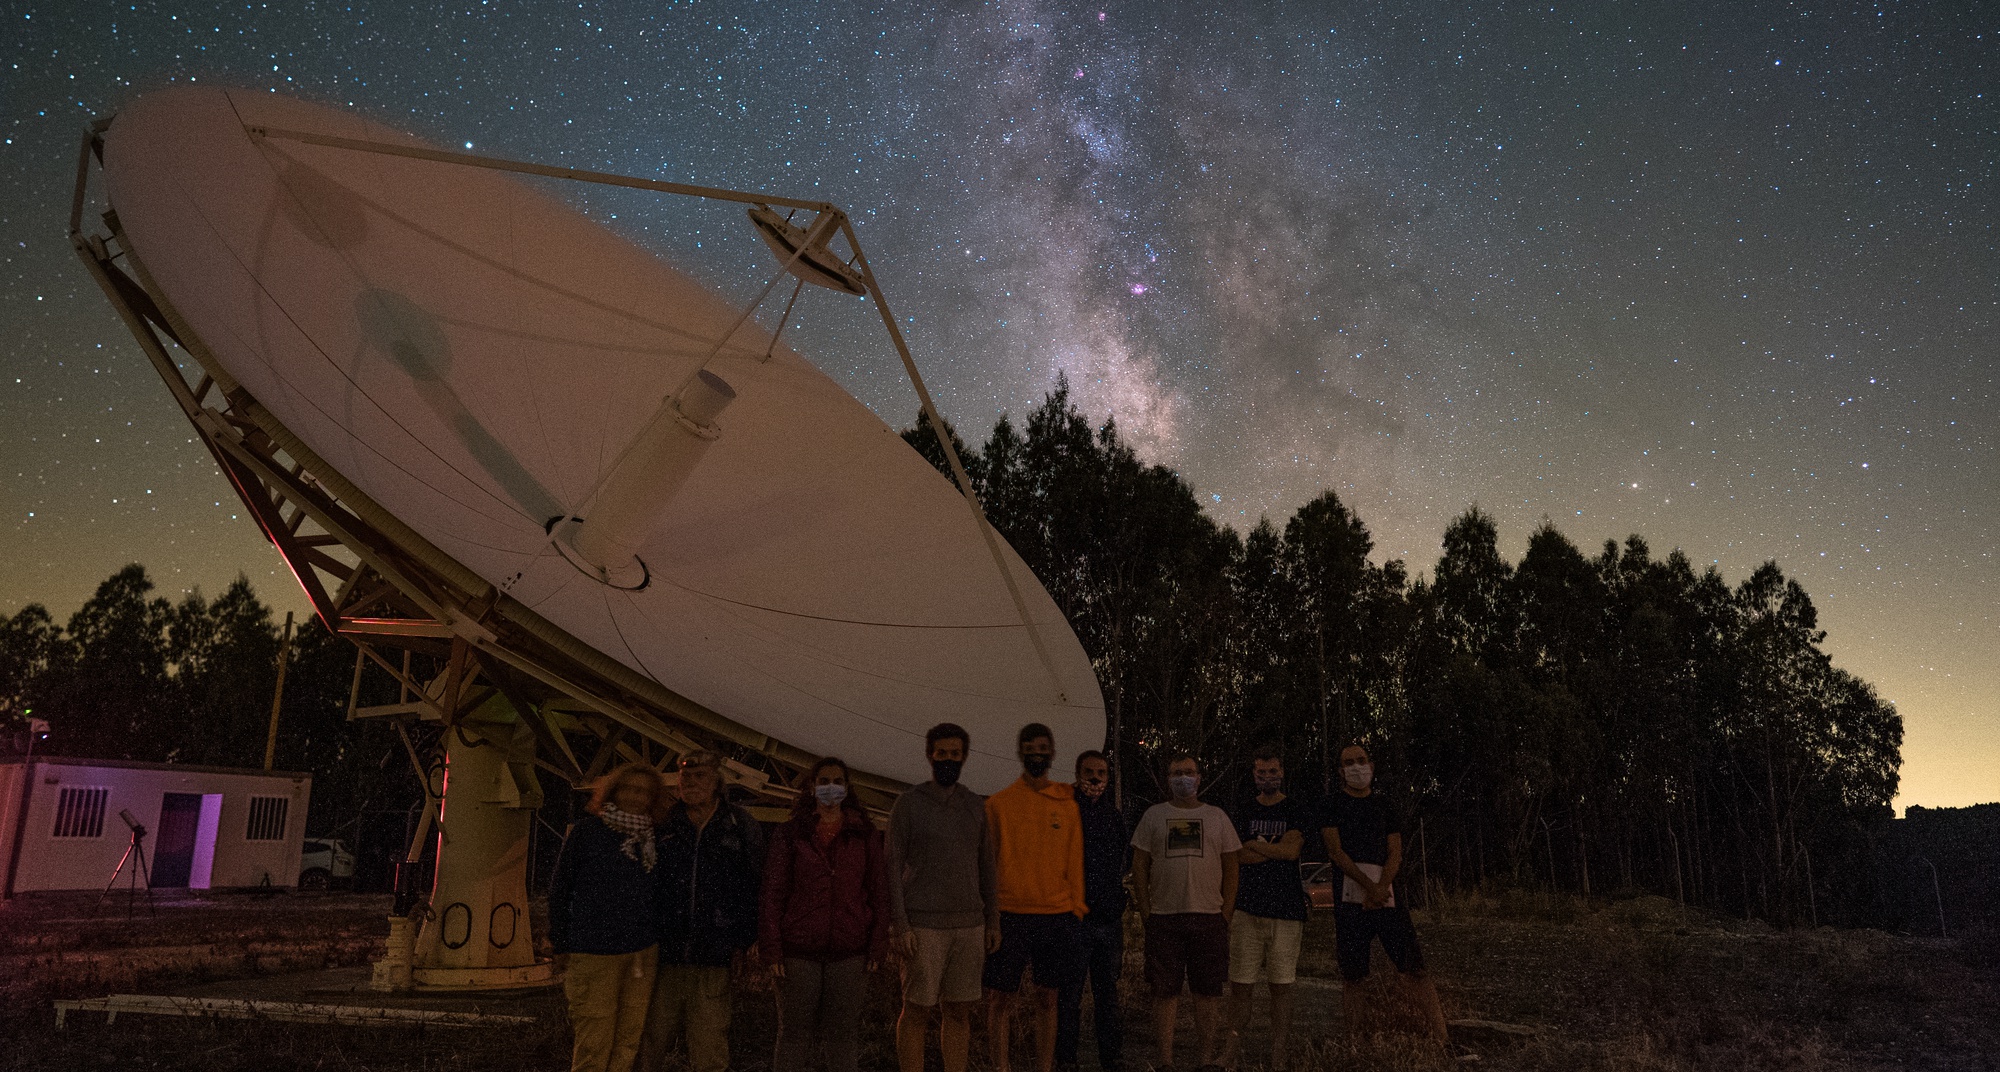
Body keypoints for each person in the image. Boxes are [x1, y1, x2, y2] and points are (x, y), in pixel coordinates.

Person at [760, 756, 891, 1072]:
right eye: (823, 781)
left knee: (842, 1035)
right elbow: (772, 894)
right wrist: (772, 948)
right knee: (793, 1034)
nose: (830, 787)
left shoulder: (864, 835)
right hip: (798, 950)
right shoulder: (791, 834)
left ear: (846, 788)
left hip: (849, 951)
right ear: (811, 787)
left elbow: (877, 891)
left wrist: (877, 943)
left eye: (837, 781)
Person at [644, 750, 764, 1072]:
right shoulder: (664, 824)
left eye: (700, 777)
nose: (691, 783)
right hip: (665, 955)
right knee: (650, 1042)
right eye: (686, 778)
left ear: (716, 784)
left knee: (709, 1044)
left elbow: (753, 886)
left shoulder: (740, 826)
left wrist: (745, 940)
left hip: (714, 956)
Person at [888, 723, 998, 1072]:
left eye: (954, 754)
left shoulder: (974, 805)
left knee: (959, 1011)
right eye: (941, 753)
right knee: (916, 1009)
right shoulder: (908, 805)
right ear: (930, 755)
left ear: (964, 756)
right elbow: (891, 867)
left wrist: (992, 920)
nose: (948, 760)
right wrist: (901, 924)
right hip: (924, 926)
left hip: (969, 926)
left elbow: (987, 866)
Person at [1320, 744, 1447, 1041]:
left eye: (1361, 761)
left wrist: (1380, 889)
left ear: (1372, 766)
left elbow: (1396, 852)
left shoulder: (1385, 806)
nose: (1356, 767)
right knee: (1354, 977)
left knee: (1415, 969)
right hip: (1351, 903)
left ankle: (1443, 1038)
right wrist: (1369, 886)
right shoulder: (1331, 805)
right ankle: (1353, 1042)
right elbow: (1336, 852)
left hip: (1388, 900)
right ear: (1340, 771)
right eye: (1348, 763)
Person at [548, 762, 666, 1072]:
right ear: (613, 792)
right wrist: (560, 942)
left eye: (644, 792)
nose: (636, 797)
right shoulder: (588, 832)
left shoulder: (653, 839)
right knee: (594, 1043)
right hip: (594, 952)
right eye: (629, 789)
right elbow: (561, 888)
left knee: (627, 1041)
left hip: (641, 952)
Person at [983, 723, 1086, 1072]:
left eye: (1043, 748)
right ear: (1020, 751)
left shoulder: (1067, 804)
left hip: (1056, 914)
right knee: (1000, 997)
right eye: (1030, 748)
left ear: (1053, 752)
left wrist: (1077, 909)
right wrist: (991, 915)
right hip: (1009, 913)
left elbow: (1075, 860)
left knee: (1048, 997)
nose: (1037, 754)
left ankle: (1044, 1066)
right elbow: (989, 862)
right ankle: (1001, 1067)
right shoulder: (998, 805)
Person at [1130, 753, 1240, 1072]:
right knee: (1165, 992)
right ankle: (1165, 1061)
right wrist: (1146, 911)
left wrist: (1226, 912)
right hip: (1164, 918)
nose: (1183, 778)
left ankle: (1205, 1060)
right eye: (1177, 772)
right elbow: (1139, 865)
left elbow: (1232, 865)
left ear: (1199, 777)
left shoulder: (1217, 816)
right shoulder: (1154, 816)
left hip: (1209, 918)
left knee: (1207, 993)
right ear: (1168, 779)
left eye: (1189, 772)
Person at [1224, 745, 1310, 1071]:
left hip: (1287, 911)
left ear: (1282, 772)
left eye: (1273, 771)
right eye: (1261, 772)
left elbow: (1292, 852)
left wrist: (1256, 845)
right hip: (1247, 909)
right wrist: (1273, 847)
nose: (1267, 777)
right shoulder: (1243, 809)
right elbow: (1238, 856)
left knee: (1281, 989)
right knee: (1240, 987)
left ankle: (1278, 1055)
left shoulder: (1296, 808)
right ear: (1254, 774)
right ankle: (1230, 1054)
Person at [1056, 749, 1128, 1072]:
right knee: (1069, 995)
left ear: (1108, 778)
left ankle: (1110, 1058)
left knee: (1107, 996)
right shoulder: (1066, 812)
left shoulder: (1113, 818)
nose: (1095, 779)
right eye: (1089, 772)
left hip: (1107, 921)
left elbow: (1120, 863)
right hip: (1075, 920)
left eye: (1101, 773)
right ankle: (1066, 1059)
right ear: (1077, 773)